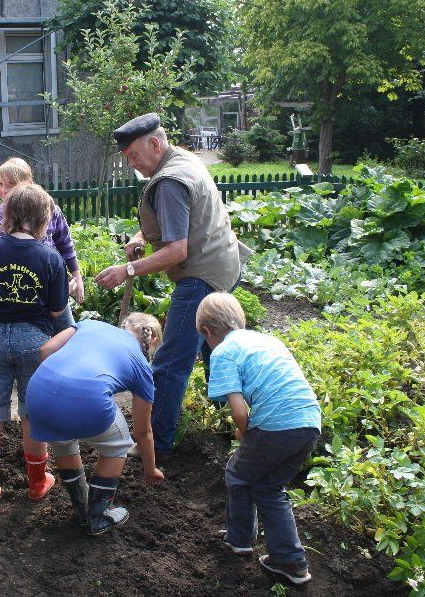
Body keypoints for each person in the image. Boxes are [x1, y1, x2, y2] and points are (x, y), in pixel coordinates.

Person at [95, 113, 250, 464]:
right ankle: (230, 420)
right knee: (218, 352)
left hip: (201, 277)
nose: (132, 164)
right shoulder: (183, 159)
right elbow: (180, 221)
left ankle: (158, 444)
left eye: (134, 155)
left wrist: (128, 269)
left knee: (168, 364)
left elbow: (177, 250)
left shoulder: (169, 181)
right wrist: (139, 237)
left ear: (155, 143)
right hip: (226, 264)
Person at [196, 292, 320, 586]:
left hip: (277, 425)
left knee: (237, 474)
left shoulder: (224, 351)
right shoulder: (267, 340)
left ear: (206, 332)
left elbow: (239, 410)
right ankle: (290, 561)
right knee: (267, 486)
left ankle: (239, 540)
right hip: (309, 421)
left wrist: (243, 431)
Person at [0, 184, 69, 511]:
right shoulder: (50, 257)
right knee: (30, 413)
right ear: (43, 220)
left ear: (7, 215)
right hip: (35, 343)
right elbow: (56, 311)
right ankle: (37, 483)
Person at [26, 313, 165, 535]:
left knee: (63, 438)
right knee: (119, 444)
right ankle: (97, 516)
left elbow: (45, 351)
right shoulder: (141, 366)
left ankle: (81, 507)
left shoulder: (90, 324)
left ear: (124, 325)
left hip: (39, 394)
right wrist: (150, 468)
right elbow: (142, 431)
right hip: (87, 402)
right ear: (153, 341)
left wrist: (61, 387)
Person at [0, 157, 84, 332]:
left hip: (52, 280)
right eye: (0, 184)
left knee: (67, 333)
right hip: (28, 286)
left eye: (11, 184)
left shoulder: (51, 209)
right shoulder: (3, 213)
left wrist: (77, 276)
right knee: (37, 336)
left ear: (29, 183)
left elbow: (65, 244)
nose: (4, 190)